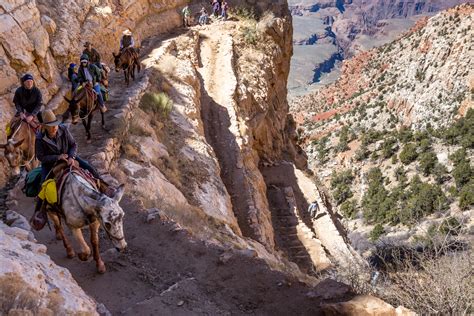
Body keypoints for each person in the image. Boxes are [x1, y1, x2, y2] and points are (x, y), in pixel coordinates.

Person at [32, 110, 104, 224]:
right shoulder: (40, 139)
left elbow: (73, 144)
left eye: (55, 125)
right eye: (51, 126)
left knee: (91, 168)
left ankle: (104, 191)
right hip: (51, 164)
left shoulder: (63, 129)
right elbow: (41, 157)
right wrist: (57, 157)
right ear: (45, 127)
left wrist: (71, 157)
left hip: (69, 157)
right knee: (43, 186)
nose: (54, 128)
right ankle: (39, 213)